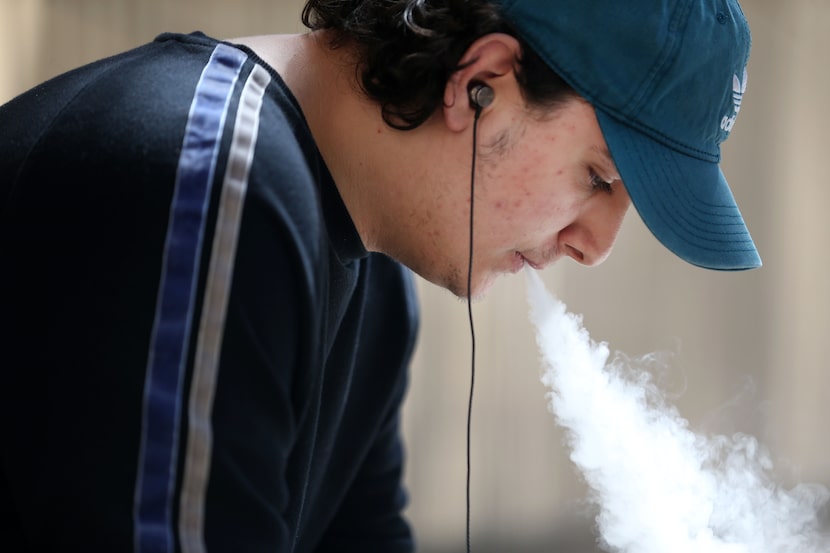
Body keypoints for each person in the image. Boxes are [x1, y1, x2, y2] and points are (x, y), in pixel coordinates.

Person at [0, 0, 760, 551]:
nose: (595, 245)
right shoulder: (214, 180)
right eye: (600, 178)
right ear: (482, 82)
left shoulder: (372, 284)